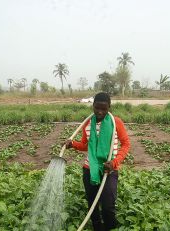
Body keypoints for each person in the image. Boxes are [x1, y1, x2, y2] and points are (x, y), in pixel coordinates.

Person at [65, 92, 130, 231]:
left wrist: (114, 162)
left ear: (109, 107)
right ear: (93, 106)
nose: (100, 111)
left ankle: (110, 228)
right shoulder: (87, 124)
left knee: (108, 206)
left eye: (104, 108)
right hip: (90, 169)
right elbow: (86, 145)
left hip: (109, 169)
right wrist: (73, 145)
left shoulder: (115, 122)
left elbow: (126, 144)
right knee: (92, 204)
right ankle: (97, 228)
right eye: (97, 108)